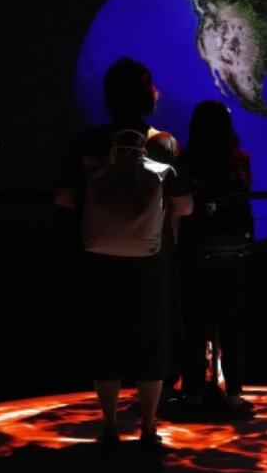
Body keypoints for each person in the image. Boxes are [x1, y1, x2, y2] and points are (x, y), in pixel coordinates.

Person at [54, 57, 192, 450]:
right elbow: (184, 207)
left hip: (97, 257)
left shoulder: (87, 143)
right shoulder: (163, 142)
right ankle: (148, 428)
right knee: (152, 340)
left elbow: (64, 198)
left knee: (105, 337)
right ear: (146, 95)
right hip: (153, 259)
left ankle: (110, 426)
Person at [179, 100, 253, 413]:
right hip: (236, 250)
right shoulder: (240, 161)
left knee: (197, 321)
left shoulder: (187, 160)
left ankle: (194, 390)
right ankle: (234, 391)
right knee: (232, 320)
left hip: (198, 249)